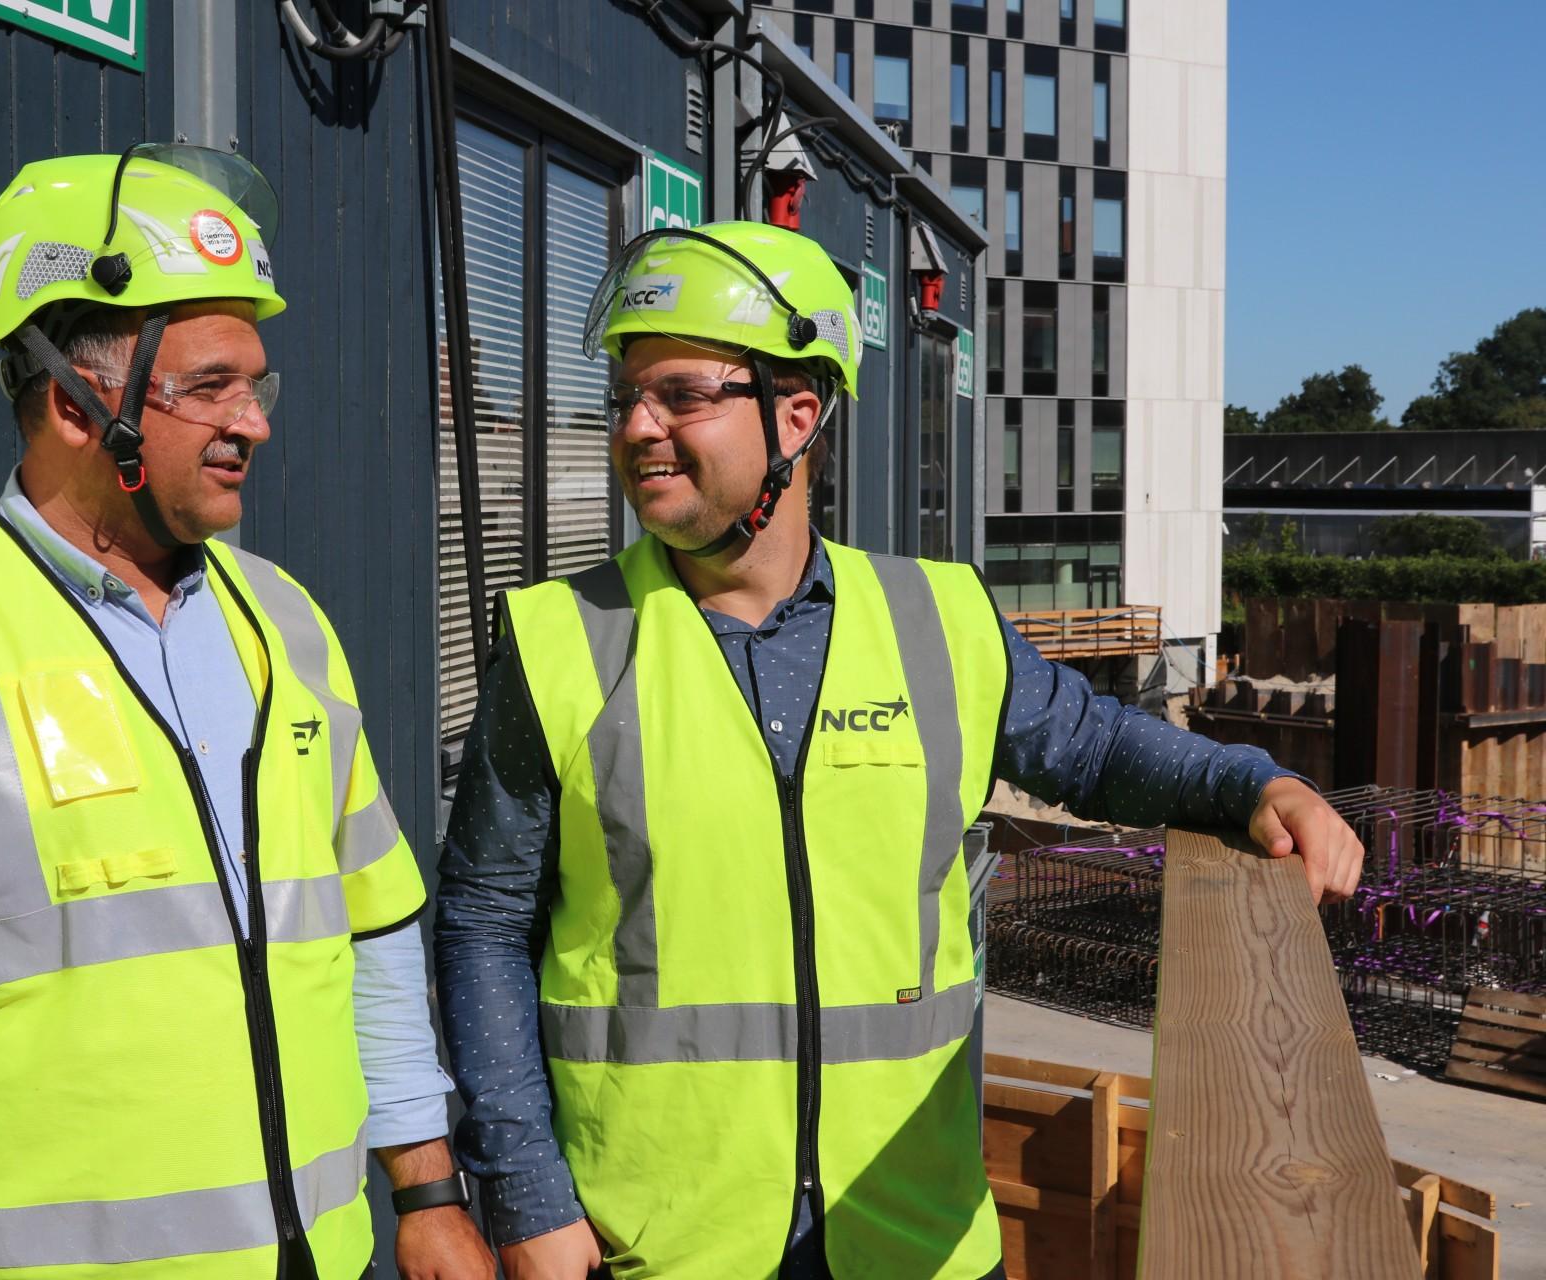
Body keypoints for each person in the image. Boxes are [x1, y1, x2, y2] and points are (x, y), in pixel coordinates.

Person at [434, 220, 1364, 1280]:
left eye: (681, 393)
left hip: (910, 1230)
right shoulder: (560, 641)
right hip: (651, 1234)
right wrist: (522, 1193)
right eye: (626, 398)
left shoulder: (939, 621)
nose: (638, 427)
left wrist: (1257, 782)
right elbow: (481, 920)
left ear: (797, 413)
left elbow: (1097, 745)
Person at [0, 145, 493, 1280]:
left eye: (256, 384)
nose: (253, 422)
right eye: (209, 386)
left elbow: (369, 928)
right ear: (76, 404)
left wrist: (424, 1187)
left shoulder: (286, 622)